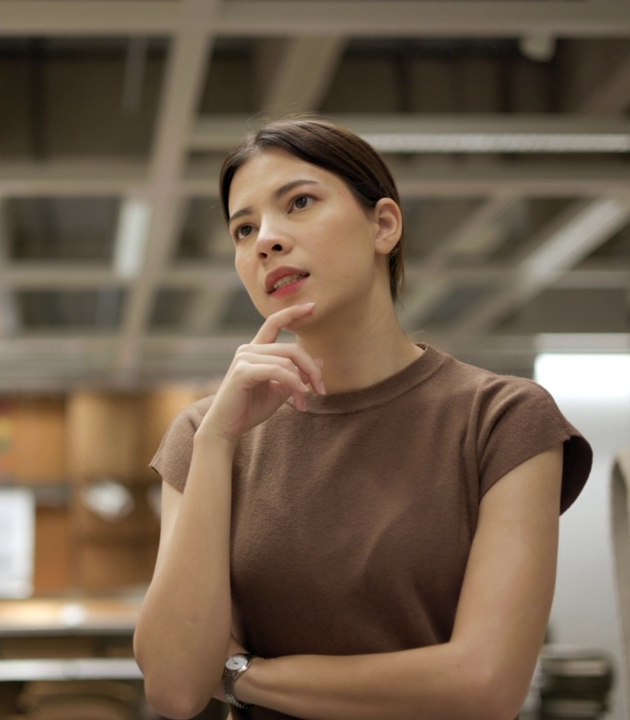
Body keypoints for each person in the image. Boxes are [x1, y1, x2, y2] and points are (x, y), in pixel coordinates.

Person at [132, 117, 593, 720]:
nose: (266, 238)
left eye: (299, 202)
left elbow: (483, 685)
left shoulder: (502, 419)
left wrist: (244, 676)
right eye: (244, 229)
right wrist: (219, 440)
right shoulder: (204, 434)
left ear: (383, 225)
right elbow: (172, 686)